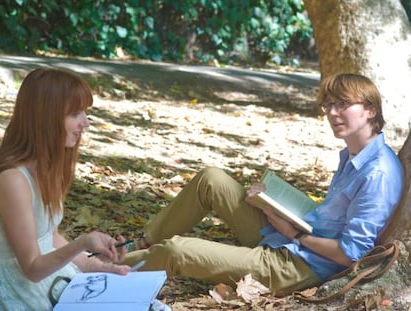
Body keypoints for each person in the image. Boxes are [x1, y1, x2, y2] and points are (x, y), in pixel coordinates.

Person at [124, 73, 404, 296]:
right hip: (289, 238)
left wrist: (295, 235)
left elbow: (351, 254)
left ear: (369, 110)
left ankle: (98, 269)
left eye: (342, 104)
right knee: (212, 179)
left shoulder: (377, 173)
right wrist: (275, 206)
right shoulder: (355, 154)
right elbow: (332, 217)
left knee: (177, 251)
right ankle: (140, 243)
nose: (332, 112)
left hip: (297, 266)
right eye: (328, 105)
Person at [0, 68, 131, 310]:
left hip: (49, 279)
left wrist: (93, 266)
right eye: (75, 114)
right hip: (18, 291)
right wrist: (82, 243)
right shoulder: (13, 180)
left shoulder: (47, 168)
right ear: (45, 117)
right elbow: (32, 268)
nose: (85, 123)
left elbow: (51, 237)